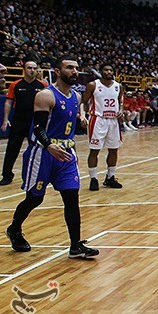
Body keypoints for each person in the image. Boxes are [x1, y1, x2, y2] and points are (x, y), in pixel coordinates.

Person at [5, 56, 99, 258]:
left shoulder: (75, 96)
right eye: (69, 68)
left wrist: (81, 118)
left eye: (76, 68)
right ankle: (14, 229)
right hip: (42, 153)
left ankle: (75, 245)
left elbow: (73, 115)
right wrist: (49, 146)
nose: (74, 71)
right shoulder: (46, 95)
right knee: (34, 199)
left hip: (66, 154)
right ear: (57, 71)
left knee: (71, 198)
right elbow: (38, 128)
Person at [1, 60, 47, 186]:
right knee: (12, 148)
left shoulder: (42, 85)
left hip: (35, 122)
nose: (32, 70)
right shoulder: (16, 84)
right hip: (19, 121)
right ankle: (7, 175)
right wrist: (6, 119)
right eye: (29, 68)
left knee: (37, 149)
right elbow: (8, 102)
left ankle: (37, 174)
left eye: (34, 68)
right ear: (24, 69)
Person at [81, 63, 124, 190]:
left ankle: (110, 177)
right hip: (97, 120)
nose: (109, 72)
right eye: (106, 70)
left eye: (111, 70)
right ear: (101, 72)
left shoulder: (118, 86)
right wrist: (83, 116)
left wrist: (121, 109)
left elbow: (120, 101)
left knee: (114, 149)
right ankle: (93, 179)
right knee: (94, 150)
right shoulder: (93, 85)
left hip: (113, 121)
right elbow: (84, 102)